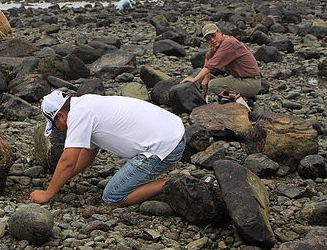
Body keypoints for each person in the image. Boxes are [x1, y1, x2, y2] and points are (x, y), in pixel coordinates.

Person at [29, 91, 186, 207]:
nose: (57, 129)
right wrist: (60, 180)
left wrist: (48, 193)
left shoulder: (78, 115)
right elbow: (89, 152)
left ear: (61, 116)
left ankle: (175, 182)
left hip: (165, 146)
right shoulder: (85, 103)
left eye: (54, 124)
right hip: (172, 131)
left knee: (113, 196)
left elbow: (68, 161)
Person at [180, 23, 261, 108]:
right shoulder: (219, 45)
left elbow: (211, 64)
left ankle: (243, 101)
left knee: (213, 85)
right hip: (241, 78)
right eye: (208, 39)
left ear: (219, 32)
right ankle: (245, 97)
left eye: (213, 36)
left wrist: (194, 79)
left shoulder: (229, 43)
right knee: (219, 82)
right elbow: (208, 56)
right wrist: (206, 77)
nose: (212, 40)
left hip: (251, 83)